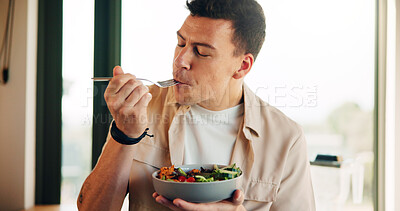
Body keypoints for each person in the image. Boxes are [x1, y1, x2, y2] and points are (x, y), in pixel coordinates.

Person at [78, 0, 316, 210]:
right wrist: (124, 135)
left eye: (201, 52)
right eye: (181, 43)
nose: (180, 61)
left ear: (242, 66)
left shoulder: (286, 138)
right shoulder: (140, 108)